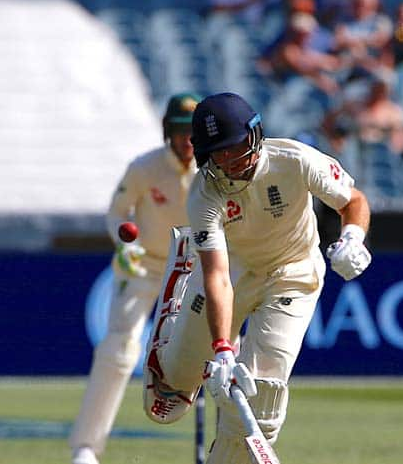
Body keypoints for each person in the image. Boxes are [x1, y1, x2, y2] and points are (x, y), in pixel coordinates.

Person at [143, 93, 372, 464]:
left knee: (262, 396)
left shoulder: (295, 160)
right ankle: (173, 325)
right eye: (220, 154)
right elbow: (217, 276)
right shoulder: (204, 195)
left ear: (254, 135)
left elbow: (353, 201)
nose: (231, 162)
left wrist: (352, 238)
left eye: (236, 148)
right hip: (231, 270)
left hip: (292, 275)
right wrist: (222, 348)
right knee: (175, 385)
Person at [70, 94, 200, 464]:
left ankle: (232, 446)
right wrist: (126, 247)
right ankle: (86, 448)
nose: (186, 141)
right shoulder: (145, 167)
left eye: (192, 133)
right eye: (179, 132)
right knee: (117, 350)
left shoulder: (212, 171)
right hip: (145, 266)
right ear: (167, 133)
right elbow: (117, 214)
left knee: (224, 352)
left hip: (193, 269)